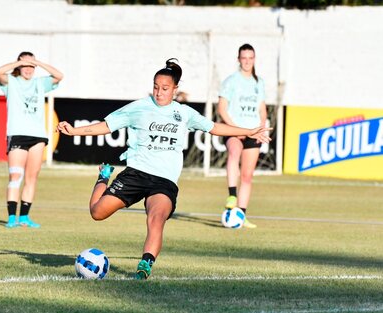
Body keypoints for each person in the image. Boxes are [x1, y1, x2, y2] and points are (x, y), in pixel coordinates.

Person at [57, 58, 271, 279]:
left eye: (165, 88)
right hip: (136, 173)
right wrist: (74, 131)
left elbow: (214, 127)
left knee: (156, 218)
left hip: (164, 181)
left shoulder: (184, 113)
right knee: (97, 213)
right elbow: (105, 126)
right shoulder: (139, 107)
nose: (159, 93)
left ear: (175, 89)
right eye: (156, 87)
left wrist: (249, 130)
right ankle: (103, 177)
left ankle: (144, 266)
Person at [0, 51, 63, 228]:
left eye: (31, 66)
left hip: (38, 136)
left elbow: (59, 76)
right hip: (17, 134)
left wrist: (38, 62)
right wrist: (18, 63)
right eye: (25, 65)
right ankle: (12, 217)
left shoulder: (40, 83)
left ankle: (24, 217)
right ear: (19, 66)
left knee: (32, 177)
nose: (28, 69)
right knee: (16, 176)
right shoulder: (11, 82)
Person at [217, 44, 267, 229]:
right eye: (244, 58)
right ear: (238, 59)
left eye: (250, 58)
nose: (247, 61)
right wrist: (234, 128)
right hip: (234, 130)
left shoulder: (259, 83)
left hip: (253, 131)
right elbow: (221, 107)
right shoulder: (231, 81)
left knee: (247, 176)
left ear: (254, 59)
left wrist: (261, 128)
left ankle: (241, 215)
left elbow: (262, 109)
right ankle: (232, 194)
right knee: (234, 153)